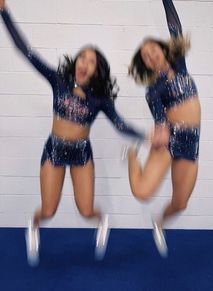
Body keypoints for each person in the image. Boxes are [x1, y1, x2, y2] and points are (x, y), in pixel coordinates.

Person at [0, 0, 145, 265]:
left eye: (91, 61)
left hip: (81, 155)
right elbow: (25, 51)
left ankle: (103, 221)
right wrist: (4, 13)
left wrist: (146, 137)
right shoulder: (59, 81)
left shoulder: (100, 98)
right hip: (54, 150)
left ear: (96, 69)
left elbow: (120, 124)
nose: (85, 63)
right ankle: (32, 227)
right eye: (83, 57)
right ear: (76, 61)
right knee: (48, 210)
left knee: (86, 210)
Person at [128, 0, 201, 257]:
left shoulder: (180, 65)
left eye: (153, 50)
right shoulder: (153, 89)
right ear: (146, 64)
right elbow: (160, 118)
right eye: (146, 56)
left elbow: (175, 26)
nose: (151, 55)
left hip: (191, 142)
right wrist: (160, 130)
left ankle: (159, 223)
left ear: (163, 49)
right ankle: (131, 157)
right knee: (141, 192)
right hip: (171, 140)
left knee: (180, 203)